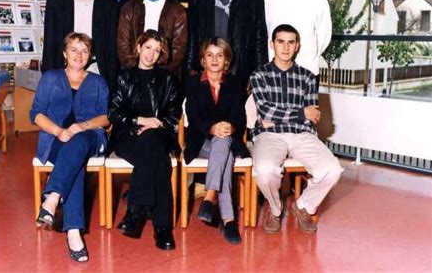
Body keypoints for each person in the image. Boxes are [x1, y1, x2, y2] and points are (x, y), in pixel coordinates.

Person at [250, 24, 343, 234]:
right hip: (269, 135)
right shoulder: (259, 75)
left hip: (301, 135)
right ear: (271, 44)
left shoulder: (308, 77)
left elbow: (311, 118)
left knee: (333, 169)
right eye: (280, 41)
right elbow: (266, 113)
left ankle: (303, 206)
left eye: (291, 42)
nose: (285, 47)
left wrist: (280, 116)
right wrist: (300, 113)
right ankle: (275, 209)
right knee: (264, 171)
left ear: (297, 46)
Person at [31, 32, 110, 263]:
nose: (79, 55)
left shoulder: (98, 82)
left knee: (78, 143)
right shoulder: (50, 78)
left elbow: (106, 118)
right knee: (74, 163)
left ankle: (53, 198)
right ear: (65, 53)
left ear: (90, 55)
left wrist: (82, 126)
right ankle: (74, 232)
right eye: (74, 49)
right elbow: (36, 114)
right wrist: (59, 131)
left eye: (85, 51)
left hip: (90, 137)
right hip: (54, 139)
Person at [108, 30, 182, 251]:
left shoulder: (168, 79)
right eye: (148, 47)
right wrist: (139, 120)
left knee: (151, 143)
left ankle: (136, 211)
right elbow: (114, 113)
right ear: (138, 47)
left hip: (159, 134)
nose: (151, 54)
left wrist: (154, 124)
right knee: (157, 159)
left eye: (157, 51)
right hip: (127, 135)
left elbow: (173, 114)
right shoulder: (124, 77)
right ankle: (162, 228)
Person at [185, 38, 249, 244]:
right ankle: (228, 221)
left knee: (223, 146)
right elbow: (193, 118)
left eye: (220, 55)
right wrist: (212, 128)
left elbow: (240, 117)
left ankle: (210, 197)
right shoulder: (193, 83)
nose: (214, 59)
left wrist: (231, 127)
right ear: (203, 59)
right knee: (224, 150)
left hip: (226, 140)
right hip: (201, 141)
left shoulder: (234, 84)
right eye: (210, 55)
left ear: (227, 61)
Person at [42, 0, 119, 91]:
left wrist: (113, 82)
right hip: (64, 71)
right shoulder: (56, 3)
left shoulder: (108, 5)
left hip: (96, 70)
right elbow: (49, 45)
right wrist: (48, 80)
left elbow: (112, 46)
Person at [118, 0, 187, 73]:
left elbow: (179, 48)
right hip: (134, 72)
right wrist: (136, 70)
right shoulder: (128, 8)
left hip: (165, 74)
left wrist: (162, 73)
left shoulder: (177, 10)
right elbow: (123, 45)